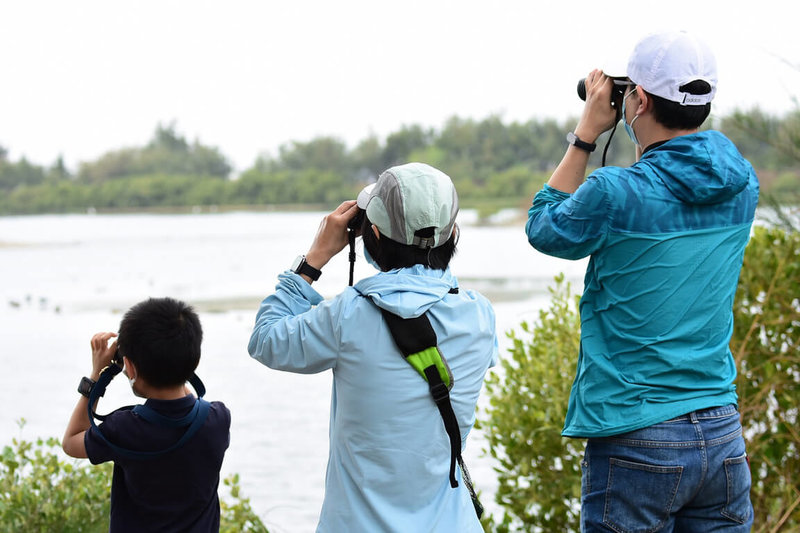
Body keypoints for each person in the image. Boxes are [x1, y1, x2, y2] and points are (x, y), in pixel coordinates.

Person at [525, 30, 757, 531]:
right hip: (720, 429)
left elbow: (543, 229)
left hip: (636, 431)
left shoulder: (615, 192)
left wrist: (586, 133)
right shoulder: (743, 183)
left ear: (641, 99)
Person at [248, 162, 498, 532]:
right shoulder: (479, 315)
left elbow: (266, 340)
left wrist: (314, 259)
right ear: (453, 233)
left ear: (372, 233)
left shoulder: (348, 315)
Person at [62, 297, 231, 533]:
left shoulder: (124, 429)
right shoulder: (218, 419)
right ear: (195, 361)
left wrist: (97, 374)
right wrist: (178, 363)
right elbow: (187, 401)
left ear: (129, 367)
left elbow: (71, 442)